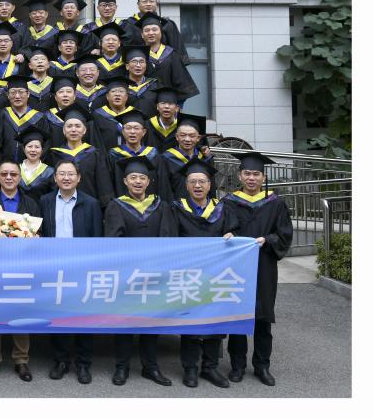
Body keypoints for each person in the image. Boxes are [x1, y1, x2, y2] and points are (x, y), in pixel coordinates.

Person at [221, 152, 293, 387]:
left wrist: (268, 240)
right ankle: (237, 365)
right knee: (237, 316)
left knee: (263, 317)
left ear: (263, 177)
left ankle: (262, 365)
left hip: (264, 265)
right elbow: (223, 227)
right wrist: (227, 233)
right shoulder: (229, 202)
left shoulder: (276, 203)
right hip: (236, 267)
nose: (251, 178)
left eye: (256, 174)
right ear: (239, 176)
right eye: (247, 173)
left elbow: (284, 234)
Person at [104, 156, 176, 387]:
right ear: (125, 181)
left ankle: (150, 367)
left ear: (149, 181)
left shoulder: (161, 206)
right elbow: (113, 241)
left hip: (154, 273)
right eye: (133, 177)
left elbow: (168, 238)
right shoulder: (116, 205)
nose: (138, 181)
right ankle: (122, 366)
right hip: (128, 274)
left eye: (142, 177)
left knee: (151, 320)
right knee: (124, 321)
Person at [172, 159, 238, 389]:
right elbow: (169, 238)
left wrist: (232, 235)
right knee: (189, 321)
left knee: (215, 320)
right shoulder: (176, 208)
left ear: (210, 185)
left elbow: (233, 230)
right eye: (193, 182)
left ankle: (210, 367)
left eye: (202, 181)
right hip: (188, 274)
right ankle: (190, 368)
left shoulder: (223, 208)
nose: (197, 185)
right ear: (186, 185)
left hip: (216, 274)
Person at [0, 161, 41, 381]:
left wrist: (33, 239)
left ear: (19, 177)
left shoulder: (30, 203)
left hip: (23, 265)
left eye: (13, 174)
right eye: (4, 174)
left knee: (21, 311)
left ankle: (21, 359)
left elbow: (39, 231)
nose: (9, 177)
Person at [37, 160, 103, 384]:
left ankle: (83, 364)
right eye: (62, 174)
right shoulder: (45, 201)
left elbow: (97, 237)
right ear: (55, 177)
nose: (66, 178)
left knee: (84, 316)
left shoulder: (91, 203)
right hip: (54, 267)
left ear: (78, 178)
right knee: (58, 316)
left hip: (81, 267)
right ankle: (61, 361)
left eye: (70, 174)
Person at [46, 103, 114, 206]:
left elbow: (103, 186)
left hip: (89, 207)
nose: (73, 130)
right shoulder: (54, 155)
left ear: (84, 130)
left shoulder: (94, 154)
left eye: (78, 126)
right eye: (69, 126)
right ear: (64, 130)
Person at [137, 13, 199, 101]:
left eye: (154, 29)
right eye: (147, 30)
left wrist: (176, 104)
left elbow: (181, 83)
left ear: (161, 32)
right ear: (142, 34)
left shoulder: (172, 54)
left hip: (167, 103)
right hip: (145, 103)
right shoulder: (138, 55)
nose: (151, 33)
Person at [123, 0, 189, 65]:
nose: (148, 4)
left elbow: (177, 47)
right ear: (138, 4)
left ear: (156, 4)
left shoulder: (167, 24)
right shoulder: (129, 24)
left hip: (165, 66)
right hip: (138, 67)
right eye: (144, 1)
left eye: (151, 1)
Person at [0, 74, 45, 163]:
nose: (17, 96)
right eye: (13, 92)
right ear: (7, 95)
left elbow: (44, 146)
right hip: (5, 168)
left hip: (30, 168)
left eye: (21, 92)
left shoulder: (39, 118)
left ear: (28, 94)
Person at [156, 113, 211, 203]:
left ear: (198, 138)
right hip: (176, 208)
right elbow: (164, 189)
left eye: (192, 136)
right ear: (177, 137)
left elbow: (211, 187)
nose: (187, 139)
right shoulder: (166, 158)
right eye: (183, 135)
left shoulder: (204, 158)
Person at [107, 110, 160, 195]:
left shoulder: (153, 154)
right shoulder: (114, 154)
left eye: (136, 128)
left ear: (144, 132)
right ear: (122, 131)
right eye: (128, 128)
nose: (132, 132)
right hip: (120, 201)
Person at [17, 127, 56, 202]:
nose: (33, 150)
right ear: (24, 149)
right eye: (29, 146)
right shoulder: (15, 170)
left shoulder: (50, 172)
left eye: (37, 147)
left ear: (42, 150)